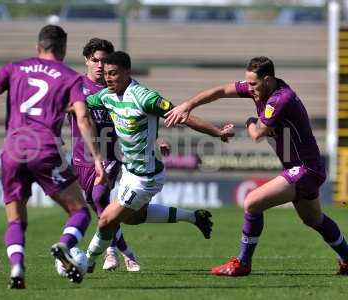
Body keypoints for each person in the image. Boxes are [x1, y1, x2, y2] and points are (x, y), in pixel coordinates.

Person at [164, 56, 348, 276]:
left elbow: (257, 133)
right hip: (306, 167)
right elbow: (222, 91)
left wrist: (250, 120)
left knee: (252, 202)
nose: (249, 89)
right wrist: (187, 105)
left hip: (305, 168)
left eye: (253, 84)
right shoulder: (261, 89)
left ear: (268, 80)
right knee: (313, 219)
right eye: (247, 83)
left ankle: (242, 263)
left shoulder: (280, 99)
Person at [0, 25, 105, 288]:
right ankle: (65, 245)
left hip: (12, 150)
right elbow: (82, 116)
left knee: (15, 219)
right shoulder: (69, 77)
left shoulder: (14, 68)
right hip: (44, 148)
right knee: (80, 211)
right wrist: (98, 159)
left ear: (38, 47)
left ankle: (16, 268)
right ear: (63, 49)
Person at [83, 51, 234, 271]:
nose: (108, 78)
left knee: (107, 220)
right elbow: (81, 103)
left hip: (146, 177)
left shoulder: (145, 97)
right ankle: (194, 217)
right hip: (129, 171)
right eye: (106, 74)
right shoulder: (106, 95)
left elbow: (183, 116)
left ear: (127, 72)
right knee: (133, 219)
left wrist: (217, 132)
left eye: (114, 73)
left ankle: (84, 264)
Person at [61, 38, 140, 272]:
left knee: (99, 199)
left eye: (104, 61)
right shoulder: (75, 86)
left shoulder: (118, 87)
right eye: (94, 60)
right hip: (80, 160)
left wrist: (156, 141)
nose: (99, 65)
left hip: (110, 156)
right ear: (86, 60)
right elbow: (58, 109)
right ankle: (123, 252)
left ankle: (113, 253)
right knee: (99, 209)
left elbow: (137, 117)